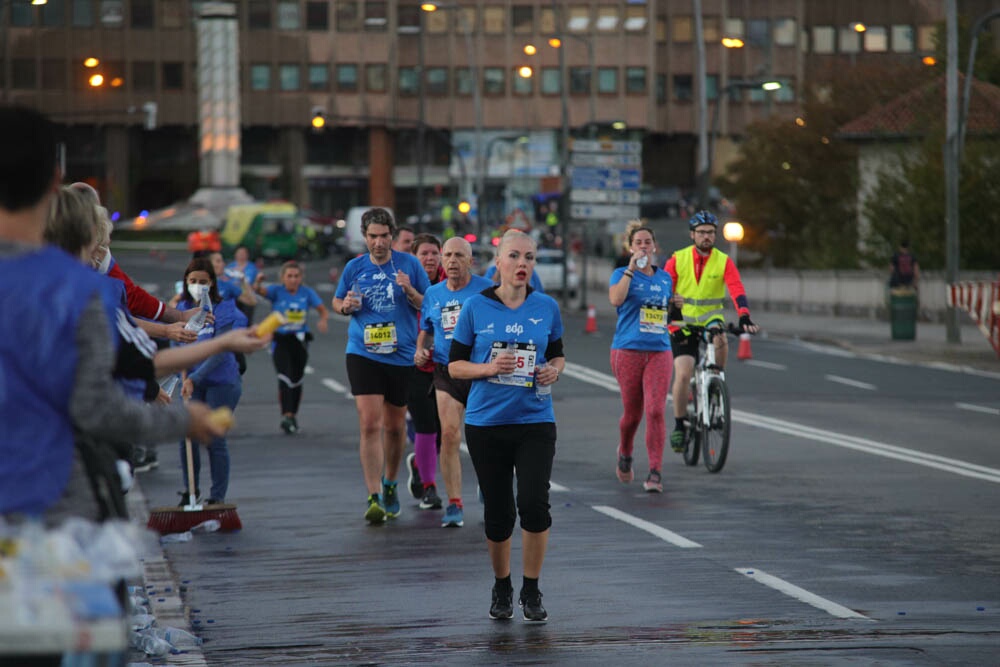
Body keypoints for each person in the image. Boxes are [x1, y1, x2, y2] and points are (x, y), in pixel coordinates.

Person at [0, 106, 227, 523]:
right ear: (54, 182)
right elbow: (97, 407)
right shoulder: (74, 289)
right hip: (53, 514)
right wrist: (183, 420)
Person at [448, 230, 565, 623]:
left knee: (534, 504)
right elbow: (454, 365)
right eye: (514, 256)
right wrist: (487, 368)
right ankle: (502, 585)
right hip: (487, 423)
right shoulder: (475, 308)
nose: (522, 265)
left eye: (529, 258)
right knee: (499, 513)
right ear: (497, 263)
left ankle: (531, 589)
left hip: (534, 420)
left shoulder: (546, 306)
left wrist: (552, 371)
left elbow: (558, 355)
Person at [332, 208, 430, 524]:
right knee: (370, 423)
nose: (378, 242)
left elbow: (429, 304)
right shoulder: (354, 267)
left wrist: (410, 291)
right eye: (372, 236)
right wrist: (345, 306)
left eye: (384, 236)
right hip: (364, 352)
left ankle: (390, 483)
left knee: (394, 426)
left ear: (392, 236)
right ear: (365, 237)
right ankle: (373, 495)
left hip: (400, 355)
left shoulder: (410, 264)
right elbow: (337, 301)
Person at [664, 210, 758, 453]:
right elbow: (664, 286)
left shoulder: (723, 260)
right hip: (682, 324)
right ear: (692, 234)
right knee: (683, 374)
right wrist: (667, 305)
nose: (706, 237)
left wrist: (744, 314)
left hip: (710, 320)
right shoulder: (678, 258)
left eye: (710, 233)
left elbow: (736, 288)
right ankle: (679, 425)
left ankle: (716, 380)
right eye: (702, 232)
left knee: (720, 338)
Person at [417, 237, 493, 527]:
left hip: (480, 371)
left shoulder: (487, 289)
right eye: (446, 255)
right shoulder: (433, 294)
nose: (451, 261)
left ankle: (488, 484)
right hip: (446, 371)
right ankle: (454, 503)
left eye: (458, 255)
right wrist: (419, 351)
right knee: (449, 434)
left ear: (470, 261)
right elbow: (426, 329)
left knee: (484, 437)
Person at [608, 222, 682, 493]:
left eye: (647, 242)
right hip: (627, 350)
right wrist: (630, 269)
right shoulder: (620, 274)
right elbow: (616, 300)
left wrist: (676, 307)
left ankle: (655, 471)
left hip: (659, 349)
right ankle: (625, 451)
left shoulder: (664, 279)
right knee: (633, 414)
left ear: (654, 247)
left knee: (655, 410)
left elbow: (668, 317)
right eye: (638, 242)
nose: (643, 246)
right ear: (631, 248)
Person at [175, 258, 248, 504]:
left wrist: (195, 377)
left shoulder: (224, 308)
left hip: (223, 382)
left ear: (212, 284)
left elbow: (222, 350)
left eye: (203, 282)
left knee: (215, 438)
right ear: (186, 282)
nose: (198, 286)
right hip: (192, 382)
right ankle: (191, 492)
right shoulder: (183, 309)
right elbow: (178, 346)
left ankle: (217, 499)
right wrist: (184, 376)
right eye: (193, 281)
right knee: (187, 436)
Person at [253, 260, 329, 434]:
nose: (293, 280)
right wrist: (258, 281)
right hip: (280, 339)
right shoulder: (277, 291)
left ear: (301, 278)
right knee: (285, 376)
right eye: (289, 276)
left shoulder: (307, 293)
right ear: (283, 278)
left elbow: (322, 309)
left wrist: (323, 320)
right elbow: (259, 291)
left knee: (297, 379)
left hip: (300, 340)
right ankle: (286, 415)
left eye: (296, 276)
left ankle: (292, 414)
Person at [404, 233, 446, 512]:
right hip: (413, 362)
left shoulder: (452, 283)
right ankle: (430, 488)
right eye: (424, 254)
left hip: (445, 364)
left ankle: (419, 463)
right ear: (414, 258)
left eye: (434, 253)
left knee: (444, 430)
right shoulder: (403, 282)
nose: (430, 259)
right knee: (426, 424)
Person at [226, 246, 259, 323]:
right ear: (235, 255)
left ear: (247, 255)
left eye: (243, 253)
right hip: (232, 298)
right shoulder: (229, 267)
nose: (241, 255)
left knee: (246, 320)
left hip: (246, 296)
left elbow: (252, 282)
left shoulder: (252, 267)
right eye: (239, 253)